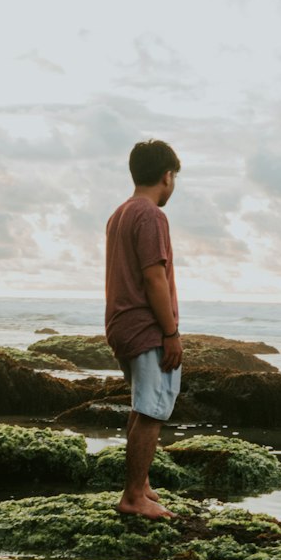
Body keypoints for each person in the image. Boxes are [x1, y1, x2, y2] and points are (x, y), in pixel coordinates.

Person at [104, 139, 183, 519]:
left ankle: (142, 485)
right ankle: (133, 496)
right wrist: (170, 333)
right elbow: (154, 277)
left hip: (120, 323)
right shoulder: (151, 215)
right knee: (152, 410)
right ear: (167, 176)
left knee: (141, 407)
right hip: (145, 325)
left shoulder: (120, 213)